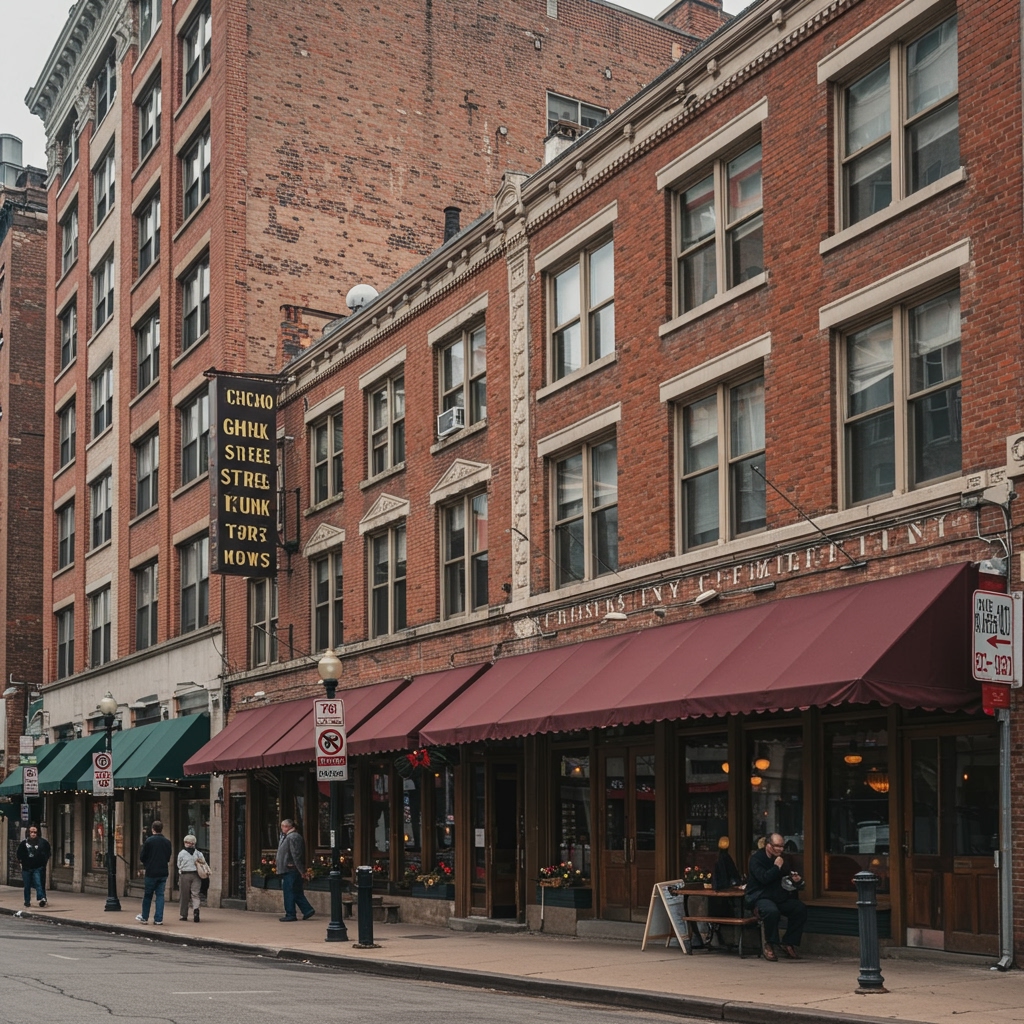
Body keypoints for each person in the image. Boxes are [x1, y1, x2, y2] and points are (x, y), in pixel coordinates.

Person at [746, 832, 808, 961]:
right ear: (768, 846)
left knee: (799, 908)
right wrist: (776, 867)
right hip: (761, 896)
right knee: (771, 911)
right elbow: (764, 879)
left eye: (782, 846)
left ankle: (788, 942)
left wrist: (796, 880)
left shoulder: (782, 859)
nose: (781, 849)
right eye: (777, 846)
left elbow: (786, 879)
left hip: (779, 896)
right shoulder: (756, 859)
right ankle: (770, 943)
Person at [276, 818, 315, 922]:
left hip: (291, 869)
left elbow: (296, 855)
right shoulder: (286, 837)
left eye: (283, 827)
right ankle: (307, 910)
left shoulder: (293, 837)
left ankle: (291, 913)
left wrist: (302, 871)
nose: (282, 829)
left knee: (290, 892)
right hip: (289, 868)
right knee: (295, 891)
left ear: (288, 827)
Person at [136, 820, 172, 925]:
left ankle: (144, 917)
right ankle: (158, 919)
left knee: (148, 895)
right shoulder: (167, 842)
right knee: (160, 895)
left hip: (151, 872)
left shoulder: (149, 841)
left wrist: (147, 863)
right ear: (161, 829)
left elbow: (142, 857)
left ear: (153, 829)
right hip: (163, 871)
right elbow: (168, 857)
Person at [17, 825, 51, 909]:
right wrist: (21, 862)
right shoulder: (24, 843)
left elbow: (48, 853)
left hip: (38, 867)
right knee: (27, 885)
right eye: (31, 832)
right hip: (26, 867)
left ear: (38, 833)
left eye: (35, 832)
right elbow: (19, 854)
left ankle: (41, 898)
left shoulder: (43, 843)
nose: (33, 834)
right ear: (28, 833)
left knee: (38, 882)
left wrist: (43, 862)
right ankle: (27, 901)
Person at [177, 834, 207, 922]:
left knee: (184, 895)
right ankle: (196, 910)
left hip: (185, 875)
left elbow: (179, 865)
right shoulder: (198, 853)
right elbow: (203, 863)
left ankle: (184, 915)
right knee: (195, 894)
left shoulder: (182, 853)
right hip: (196, 875)